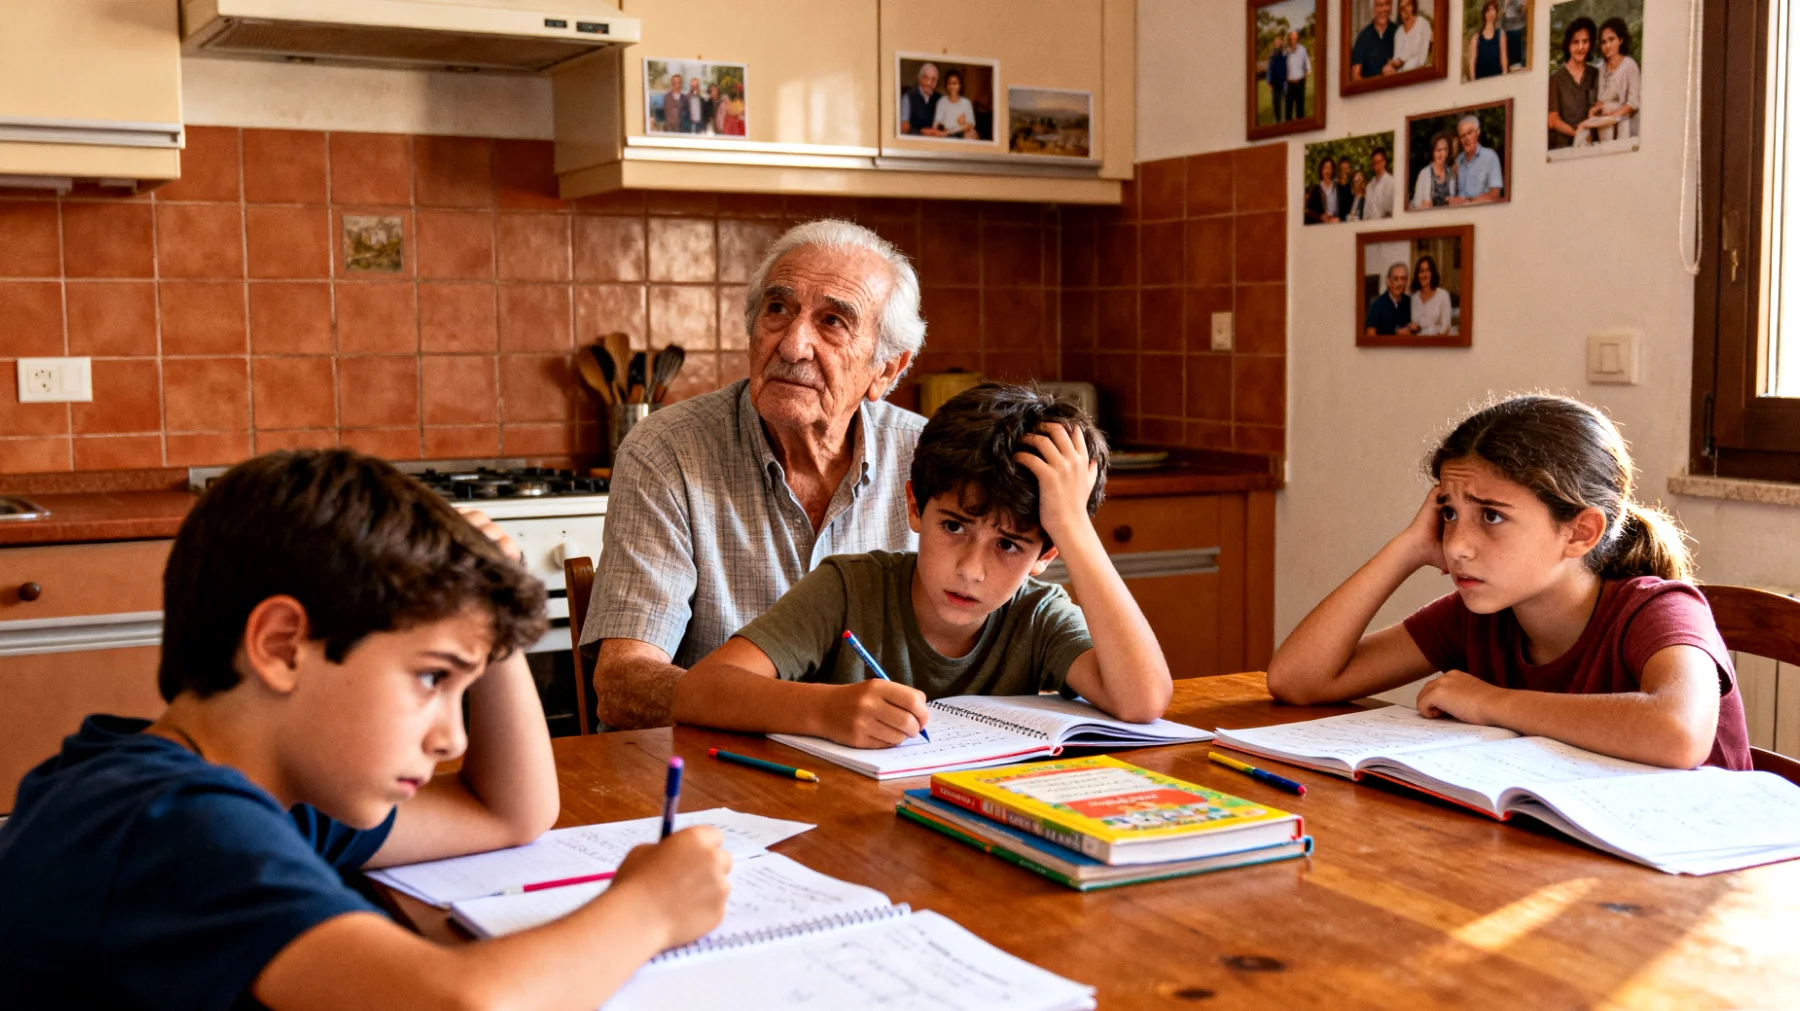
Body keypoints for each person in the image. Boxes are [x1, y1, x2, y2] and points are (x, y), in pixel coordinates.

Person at [0, 449, 735, 1008]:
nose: (452, 738)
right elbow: (460, 1001)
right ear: (283, 645)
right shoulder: (165, 824)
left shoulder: (267, 793)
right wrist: (648, 908)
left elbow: (509, 812)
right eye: (429, 678)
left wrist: (488, 627)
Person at [1266, 395, 1752, 772]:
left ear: (1580, 531)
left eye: (1492, 515)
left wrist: (1490, 702)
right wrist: (1409, 548)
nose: (1456, 544)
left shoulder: (1658, 610)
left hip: (1704, 881)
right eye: (1450, 513)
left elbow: (1678, 732)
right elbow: (1299, 681)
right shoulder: (1480, 615)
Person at [672, 384, 1173, 745]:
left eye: (1009, 546)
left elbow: (1142, 700)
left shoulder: (1037, 615)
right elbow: (700, 691)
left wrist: (1073, 526)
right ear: (915, 506)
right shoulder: (848, 589)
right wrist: (826, 710)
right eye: (954, 527)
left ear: (1046, 554)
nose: (971, 570)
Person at [582, 220, 928, 730]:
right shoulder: (668, 451)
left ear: (886, 371)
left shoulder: (926, 458)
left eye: (833, 322)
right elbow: (623, 685)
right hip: (713, 779)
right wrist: (816, 712)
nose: (791, 346)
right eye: (778, 309)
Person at [1549, 17, 1599, 150]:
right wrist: (1578, 134)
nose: (1581, 47)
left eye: (1585, 41)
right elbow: (1552, 120)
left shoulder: (1595, 74)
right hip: (1562, 148)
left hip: (1592, 147)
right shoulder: (1555, 78)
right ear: (1568, 45)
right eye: (1575, 42)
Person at [1593, 18, 1641, 142]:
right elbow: (1603, 99)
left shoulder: (1630, 65)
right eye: (1603, 42)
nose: (1607, 45)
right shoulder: (1602, 68)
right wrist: (1595, 109)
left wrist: (1614, 116)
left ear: (1621, 40)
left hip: (1627, 124)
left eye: (1611, 39)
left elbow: (1634, 102)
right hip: (1606, 124)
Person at [1450, 114, 1505, 204]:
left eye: (1469, 133)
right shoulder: (1458, 161)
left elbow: (1495, 194)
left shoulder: (1490, 156)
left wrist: (1467, 202)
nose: (1466, 138)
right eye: (1463, 136)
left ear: (1478, 131)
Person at [1351, 0, 1398, 82]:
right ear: (1372, 9)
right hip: (1371, 93)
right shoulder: (1363, 37)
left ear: (1391, 7)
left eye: (1387, 4)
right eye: (1379, 5)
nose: (1383, 9)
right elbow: (1355, 77)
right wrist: (1380, 79)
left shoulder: (1399, 32)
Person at [1365, 262, 1415, 337]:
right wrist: (1395, 333)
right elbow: (1370, 336)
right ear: (1388, 281)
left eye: (1403, 278)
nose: (1400, 283)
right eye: (1395, 279)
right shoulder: (1376, 305)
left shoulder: (1410, 302)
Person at [1410, 254, 1452, 335]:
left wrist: (1433, 342)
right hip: (1419, 343)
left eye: (1427, 270)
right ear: (1417, 275)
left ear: (1432, 273)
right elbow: (1415, 327)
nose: (1424, 274)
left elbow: (1446, 327)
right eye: (1421, 271)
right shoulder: (1415, 297)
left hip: (1439, 343)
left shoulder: (1443, 295)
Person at [932, 68, 979, 140]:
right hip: (946, 134)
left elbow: (970, 125)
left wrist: (950, 132)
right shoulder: (942, 101)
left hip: (962, 133)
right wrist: (934, 132)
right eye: (949, 83)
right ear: (946, 85)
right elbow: (937, 122)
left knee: (972, 134)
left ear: (960, 85)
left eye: (955, 83)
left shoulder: (966, 102)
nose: (952, 87)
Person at [1412, 132, 1455, 209]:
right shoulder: (1424, 173)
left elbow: (1453, 201)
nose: (1441, 154)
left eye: (1445, 149)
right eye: (1438, 150)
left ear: (1448, 152)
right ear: (1432, 151)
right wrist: (1423, 205)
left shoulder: (1451, 174)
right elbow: (1416, 203)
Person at [1468, 0, 1510, 80]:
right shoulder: (1476, 38)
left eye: (1493, 9)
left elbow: (1504, 60)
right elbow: (1472, 65)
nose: (1491, 13)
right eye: (1488, 10)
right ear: (1484, 13)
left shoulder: (1501, 35)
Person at [1389, 0, 1433, 73]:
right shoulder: (1398, 33)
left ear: (1413, 6)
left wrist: (1402, 60)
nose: (1406, 10)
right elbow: (1396, 60)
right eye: (1402, 8)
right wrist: (1394, 64)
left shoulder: (1422, 23)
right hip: (1402, 77)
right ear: (1399, 12)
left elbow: (1422, 57)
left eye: (1408, 5)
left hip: (1420, 73)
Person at [900, 62, 942, 136]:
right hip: (912, 143)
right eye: (926, 78)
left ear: (936, 81)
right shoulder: (908, 97)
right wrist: (921, 131)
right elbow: (903, 127)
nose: (929, 83)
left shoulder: (940, 99)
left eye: (933, 79)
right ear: (920, 78)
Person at [1305, 156, 1341, 224]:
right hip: (1321, 224)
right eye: (1325, 167)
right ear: (1321, 170)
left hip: (1337, 223)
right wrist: (1320, 216)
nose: (1328, 170)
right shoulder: (1315, 189)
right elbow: (1309, 210)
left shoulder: (1338, 187)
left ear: (1333, 170)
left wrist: (1339, 218)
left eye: (1330, 168)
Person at [1285, 31, 1312, 121]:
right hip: (1289, 84)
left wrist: (1303, 78)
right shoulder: (1286, 52)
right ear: (1289, 39)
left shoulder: (1303, 50)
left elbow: (1308, 68)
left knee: (1300, 110)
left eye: (1294, 37)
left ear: (1297, 38)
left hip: (1300, 83)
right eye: (1291, 37)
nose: (1293, 39)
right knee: (1288, 110)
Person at [1363, 146, 1397, 219]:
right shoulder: (1369, 186)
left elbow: (1391, 209)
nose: (1377, 165)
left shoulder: (1391, 182)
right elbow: (1366, 210)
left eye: (1379, 162)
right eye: (1374, 163)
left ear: (1384, 162)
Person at [1266, 36, 1289, 123]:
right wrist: (1269, 83)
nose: (1278, 43)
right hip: (1275, 83)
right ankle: (1277, 119)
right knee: (1276, 102)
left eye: (1279, 42)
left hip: (1284, 82)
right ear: (1274, 44)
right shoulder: (1271, 55)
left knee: (1288, 102)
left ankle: (1288, 119)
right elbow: (1269, 69)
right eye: (1276, 42)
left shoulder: (1284, 52)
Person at [1502, 0, 1529, 72]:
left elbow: (1523, 13)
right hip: (1507, 31)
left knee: (1518, 63)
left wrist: (1524, 6)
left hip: (1518, 30)